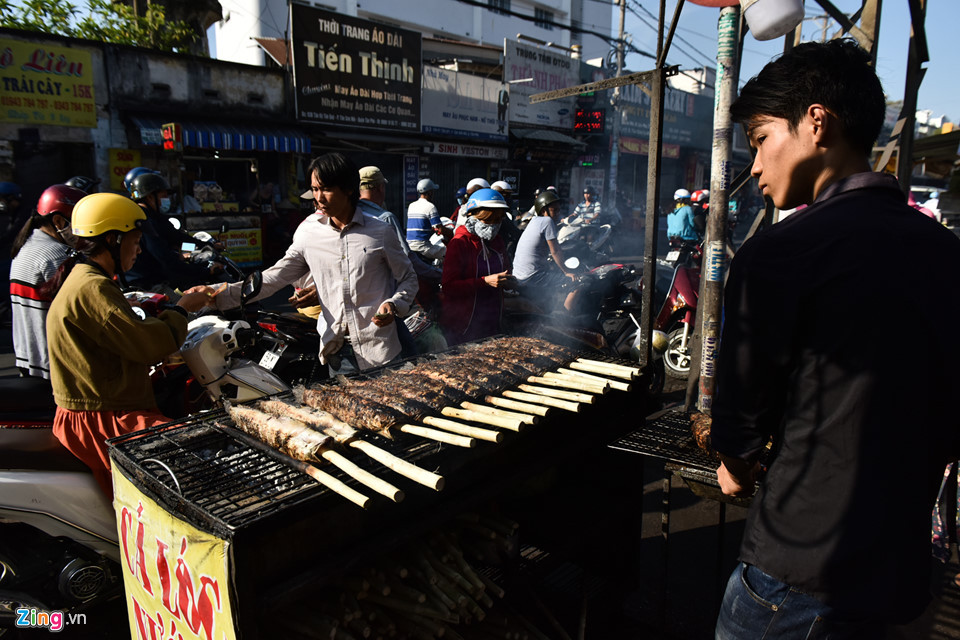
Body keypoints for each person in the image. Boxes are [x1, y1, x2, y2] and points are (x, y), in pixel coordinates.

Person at [711, 39, 960, 638]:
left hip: (794, 581)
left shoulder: (777, 255)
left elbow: (737, 446)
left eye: (761, 138)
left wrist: (738, 466)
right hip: (899, 579)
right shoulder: (948, 255)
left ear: (816, 122)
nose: (754, 166)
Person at [189, 153, 418, 374]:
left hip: (381, 351)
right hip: (338, 354)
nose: (319, 197)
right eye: (315, 189)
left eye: (326, 189)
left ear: (349, 189)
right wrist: (218, 294)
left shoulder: (381, 231)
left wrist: (394, 303)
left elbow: (408, 277)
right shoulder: (309, 233)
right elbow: (273, 278)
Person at [45, 193, 210, 497]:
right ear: (112, 240)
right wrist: (183, 308)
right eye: (134, 242)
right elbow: (149, 346)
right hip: (102, 418)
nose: (138, 250)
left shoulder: (86, 277)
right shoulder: (94, 288)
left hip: (99, 407)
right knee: (191, 468)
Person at [9, 184, 88, 378]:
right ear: (59, 221)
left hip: (28, 359)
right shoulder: (57, 255)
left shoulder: (26, 246)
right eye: (79, 223)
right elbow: (87, 309)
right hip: (54, 366)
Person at [124, 171, 220, 292]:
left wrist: (205, 246)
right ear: (150, 196)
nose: (166, 199)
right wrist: (206, 271)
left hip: (157, 276)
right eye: (163, 195)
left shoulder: (155, 217)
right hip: (147, 284)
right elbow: (165, 257)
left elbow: (177, 240)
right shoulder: (144, 221)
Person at [440, 188, 513, 345]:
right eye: (488, 220)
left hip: (491, 321)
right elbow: (448, 287)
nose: (493, 226)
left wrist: (509, 281)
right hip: (464, 325)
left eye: (498, 220)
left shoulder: (497, 241)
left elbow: (506, 268)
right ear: (473, 217)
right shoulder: (459, 243)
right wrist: (484, 281)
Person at [513, 189, 577, 312]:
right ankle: (566, 319)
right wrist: (566, 271)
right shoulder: (547, 221)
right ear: (544, 210)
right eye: (555, 210)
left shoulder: (534, 221)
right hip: (533, 276)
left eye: (559, 210)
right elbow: (555, 251)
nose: (558, 213)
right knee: (578, 283)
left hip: (520, 276)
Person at [406, 178, 448, 262]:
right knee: (449, 252)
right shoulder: (430, 206)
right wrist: (452, 233)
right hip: (423, 247)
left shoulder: (411, 206)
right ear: (430, 192)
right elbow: (440, 229)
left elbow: (419, 224)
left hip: (409, 246)